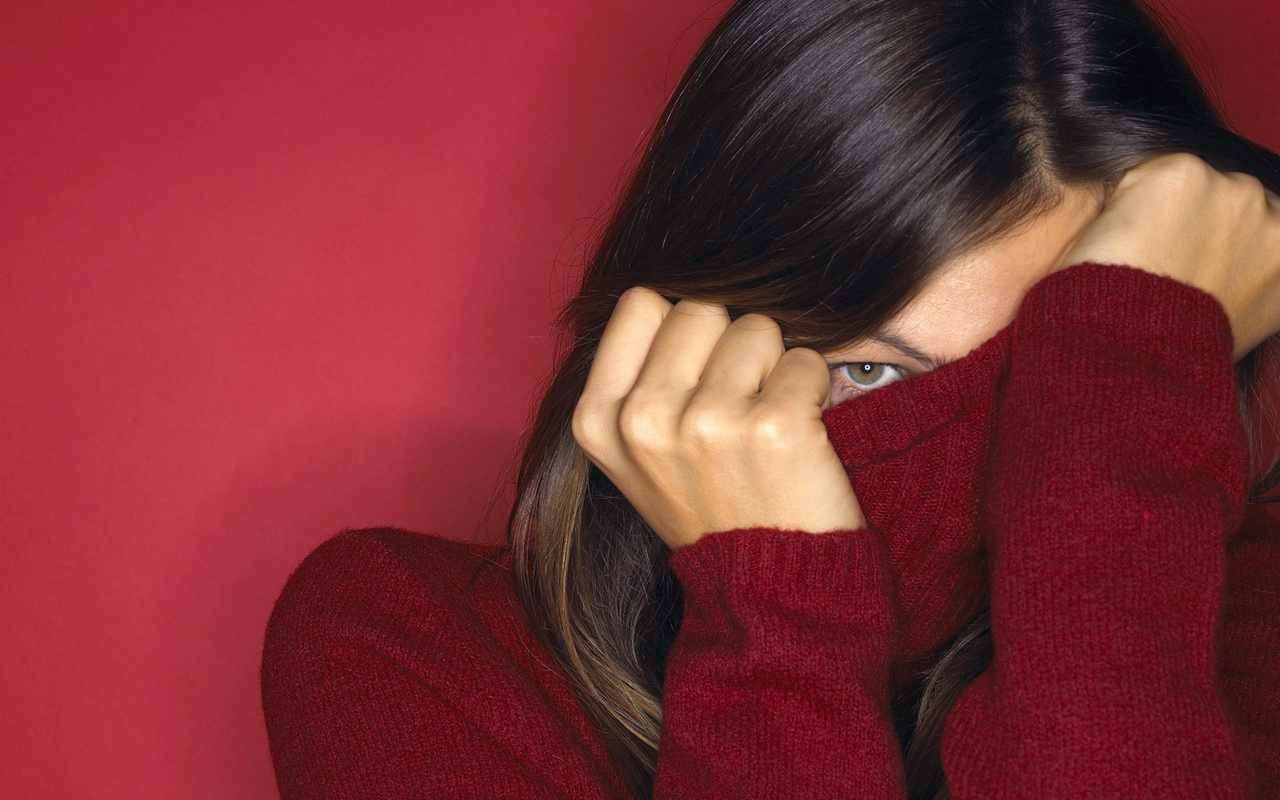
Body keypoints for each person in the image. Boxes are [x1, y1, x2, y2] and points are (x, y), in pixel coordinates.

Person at [260, 1, 1280, 797]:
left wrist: (1117, 484)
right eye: (872, 371)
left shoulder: (1250, 629)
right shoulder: (414, 652)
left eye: (1072, 380)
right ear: (682, 341)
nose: (992, 446)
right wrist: (775, 615)